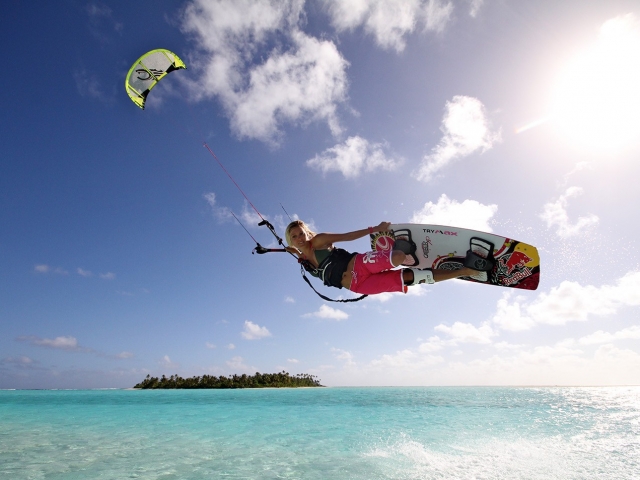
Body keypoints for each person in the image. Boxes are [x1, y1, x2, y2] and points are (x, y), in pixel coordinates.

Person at [284, 220, 480, 296]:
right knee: (412, 278)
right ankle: (463, 270)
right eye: (294, 237)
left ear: (306, 232)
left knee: (398, 257)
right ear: (290, 240)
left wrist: (374, 230)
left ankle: (404, 250)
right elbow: (297, 253)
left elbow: (347, 236)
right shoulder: (303, 260)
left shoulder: (319, 241)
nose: (299, 238)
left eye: (301, 233)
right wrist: (294, 252)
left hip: (360, 265)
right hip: (357, 286)